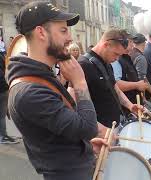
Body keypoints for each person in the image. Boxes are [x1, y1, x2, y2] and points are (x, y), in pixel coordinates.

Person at [7, 2, 107, 179]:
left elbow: (57, 133)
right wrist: (80, 82)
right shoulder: (29, 92)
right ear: (41, 33)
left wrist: (85, 145)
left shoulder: (42, 76)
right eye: (63, 31)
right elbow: (87, 128)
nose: (70, 37)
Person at [78, 29, 143, 131]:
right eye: (116, 54)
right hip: (99, 132)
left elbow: (114, 88)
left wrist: (130, 105)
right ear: (106, 45)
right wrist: (98, 130)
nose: (117, 59)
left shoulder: (107, 63)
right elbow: (76, 104)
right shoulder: (83, 65)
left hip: (113, 125)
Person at [111, 34, 151, 116]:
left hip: (132, 103)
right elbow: (116, 84)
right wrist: (140, 88)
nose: (133, 45)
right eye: (130, 42)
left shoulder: (127, 57)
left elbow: (135, 76)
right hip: (126, 106)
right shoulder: (118, 59)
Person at [0, 53, 19, 144]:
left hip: (2, 88)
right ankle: (3, 136)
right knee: (1, 115)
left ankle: (3, 135)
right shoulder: (0, 56)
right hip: (2, 88)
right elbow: (5, 71)